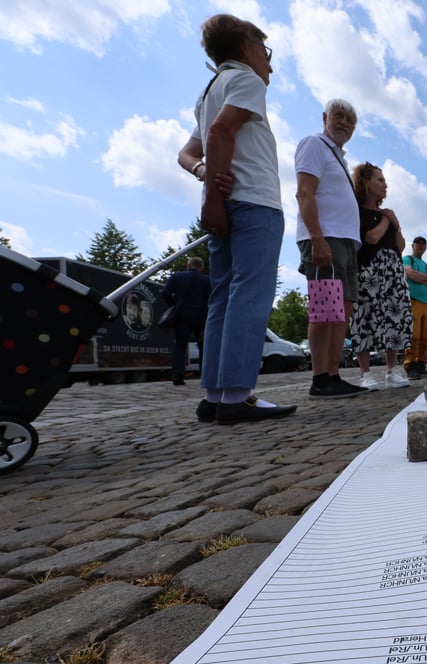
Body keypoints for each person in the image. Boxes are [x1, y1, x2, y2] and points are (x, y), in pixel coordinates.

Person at [176, 14, 296, 424]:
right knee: (250, 295)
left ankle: (215, 394)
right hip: (255, 201)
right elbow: (219, 133)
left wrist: (204, 176)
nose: (269, 64)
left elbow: (186, 153)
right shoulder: (247, 80)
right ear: (246, 47)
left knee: (223, 297)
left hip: (226, 205)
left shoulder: (209, 90)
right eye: (265, 51)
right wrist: (212, 193)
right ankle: (238, 396)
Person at [294, 98, 368, 399]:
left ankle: (333, 374)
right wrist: (317, 238)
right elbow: (304, 192)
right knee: (326, 309)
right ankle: (320, 378)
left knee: (343, 309)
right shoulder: (314, 144)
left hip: (345, 241)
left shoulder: (338, 157)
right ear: (325, 117)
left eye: (350, 121)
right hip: (327, 237)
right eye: (339, 116)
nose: (344, 123)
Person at [350, 162, 412, 391]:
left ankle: (391, 371)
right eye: (380, 180)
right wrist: (387, 220)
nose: (385, 184)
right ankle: (365, 373)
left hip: (392, 271)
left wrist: (396, 225)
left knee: (393, 318)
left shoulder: (387, 215)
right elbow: (371, 238)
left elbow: (400, 246)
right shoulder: (357, 211)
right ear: (365, 182)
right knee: (364, 317)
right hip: (369, 271)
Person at [161, 257, 211, 385]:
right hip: (201, 316)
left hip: (182, 315)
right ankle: (205, 376)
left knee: (180, 346)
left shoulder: (177, 276)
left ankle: (177, 375)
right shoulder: (207, 280)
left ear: (188, 265)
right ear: (202, 267)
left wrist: (174, 304)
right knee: (203, 346)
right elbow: (211, 298)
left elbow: (165, 293)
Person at [403, 236, 427, 379]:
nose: (420, 246)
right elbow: (410, 274)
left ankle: (421, 365)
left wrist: (419, 277)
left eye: (423, 244)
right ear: (413, 245)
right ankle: (410, 365)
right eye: (418, 243)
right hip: (414, 301)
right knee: (414, 335)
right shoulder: (407, 259)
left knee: (424, 337)